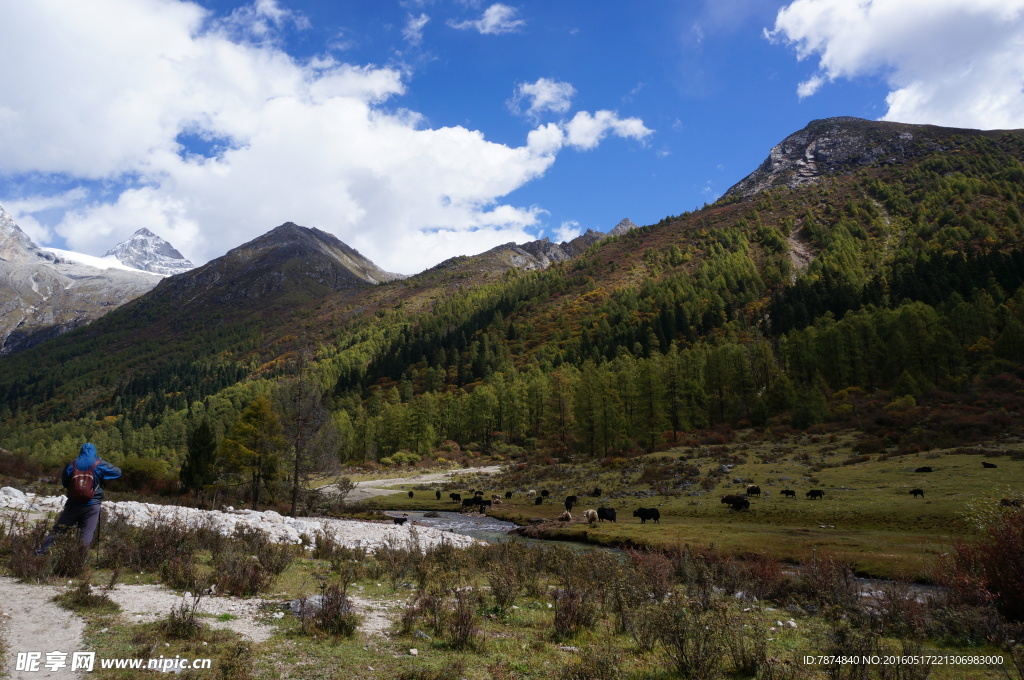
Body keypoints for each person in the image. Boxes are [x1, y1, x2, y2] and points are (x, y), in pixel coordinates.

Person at [37, 442, 121, 554]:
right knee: (86, 533)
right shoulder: (98, 463)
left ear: (81, 451)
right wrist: (100, 461)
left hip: (73, 503)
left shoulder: (72, 464)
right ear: (94, 451)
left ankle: (41, 553)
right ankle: (79, 560)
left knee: (58, 530)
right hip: (92, 504)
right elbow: (117, 472)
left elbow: (65, 482)